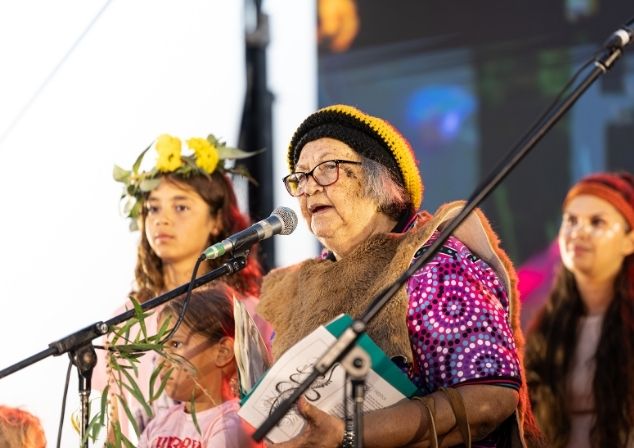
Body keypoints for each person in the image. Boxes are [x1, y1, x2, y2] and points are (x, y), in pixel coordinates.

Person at [257, 104, 538, 447]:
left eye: (327, 168)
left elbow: (491, 396)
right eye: (300, 177)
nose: (309, 188)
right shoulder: (301, 288)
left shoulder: (434, 262)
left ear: (380, 179)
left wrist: (348, 434)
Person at [101, 133, 268, 439]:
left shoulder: (248, 312)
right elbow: (117, 425)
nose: (162, 220)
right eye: (152, 208)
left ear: (216, 219)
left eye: (180, 207)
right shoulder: (125, 319)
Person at [525, 171, 634, 448]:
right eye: (571, 221)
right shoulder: (546, 326)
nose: (578, 232)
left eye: (597, 222)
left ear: (629, 241)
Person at [138, 284, 262, 448]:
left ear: (223, 352)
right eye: (160, 349)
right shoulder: (159, 425)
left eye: (175, 344)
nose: (162, 361)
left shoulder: (232, 425)